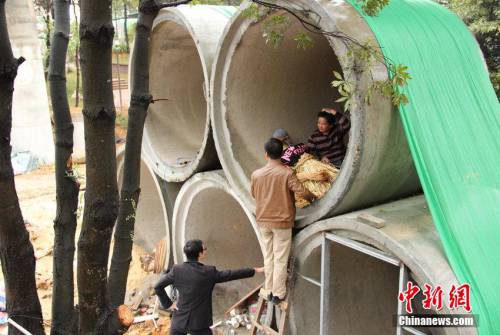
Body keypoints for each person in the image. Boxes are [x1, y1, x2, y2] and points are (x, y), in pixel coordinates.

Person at [250, 138, 315, 304]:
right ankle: (278, 294)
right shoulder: (286, 173)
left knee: (268, 256)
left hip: (263, 220)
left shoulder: (256, 175)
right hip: (282, 222)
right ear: (282, 153)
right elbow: (302, 191)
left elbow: (254, 194)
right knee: (280, 258)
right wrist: (313, 196)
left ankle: (269, 288)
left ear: (266, 155)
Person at [154, 239, 264, 335]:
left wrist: (168, 304)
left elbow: (158, 286)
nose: (205, 250)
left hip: (179, 321)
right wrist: (254, 270)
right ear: (200, 254)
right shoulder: (209, 272)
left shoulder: (177, 270)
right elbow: (231, 274)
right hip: (199, 324)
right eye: (204, 248)